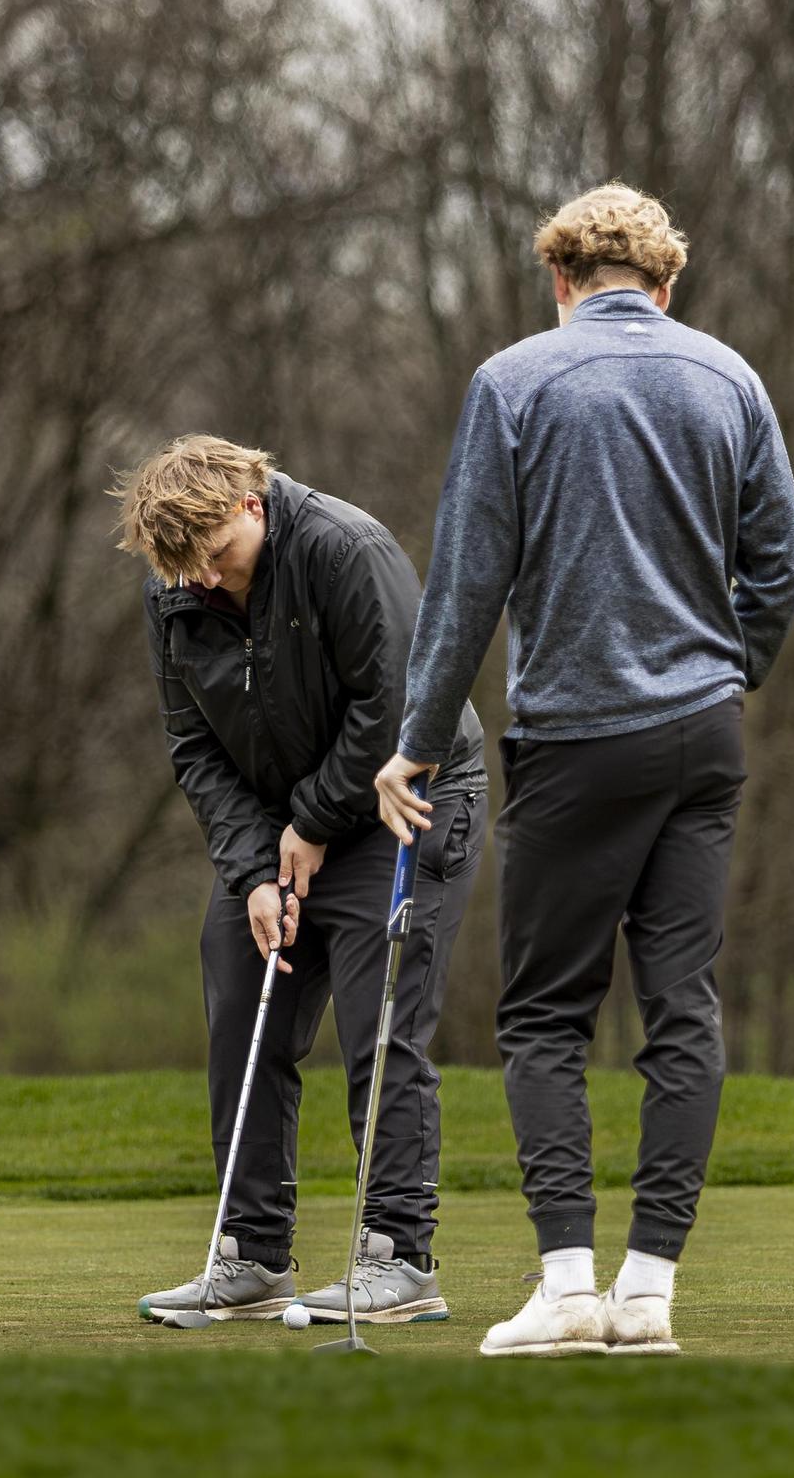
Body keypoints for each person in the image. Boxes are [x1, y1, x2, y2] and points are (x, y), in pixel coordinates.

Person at [375, 184, 794, 1355]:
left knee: (546, 1016)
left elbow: (467, 584)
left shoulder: (516, 380)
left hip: (574, 737)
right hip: (704, 735)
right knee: (682, 1008)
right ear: (666, 283)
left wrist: (416, 740)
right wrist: (728, 670)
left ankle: (570, 1285)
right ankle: (651, 1288)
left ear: (560, 281)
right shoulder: (731, 378)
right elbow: (780, 567)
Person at [116, 435, 488, 1325]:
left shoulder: (341, 549)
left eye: (216, 557)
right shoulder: (175, 587)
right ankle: (251, 1254)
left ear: (251, 504)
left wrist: (314, 824)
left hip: (409, 799)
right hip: (282, 827)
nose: (204, 581)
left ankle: (399, 1257)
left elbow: (397, 706)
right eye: (184, 568)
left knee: (380, 1027)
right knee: (244, 1000)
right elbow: (194, 746)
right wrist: (252, 869)